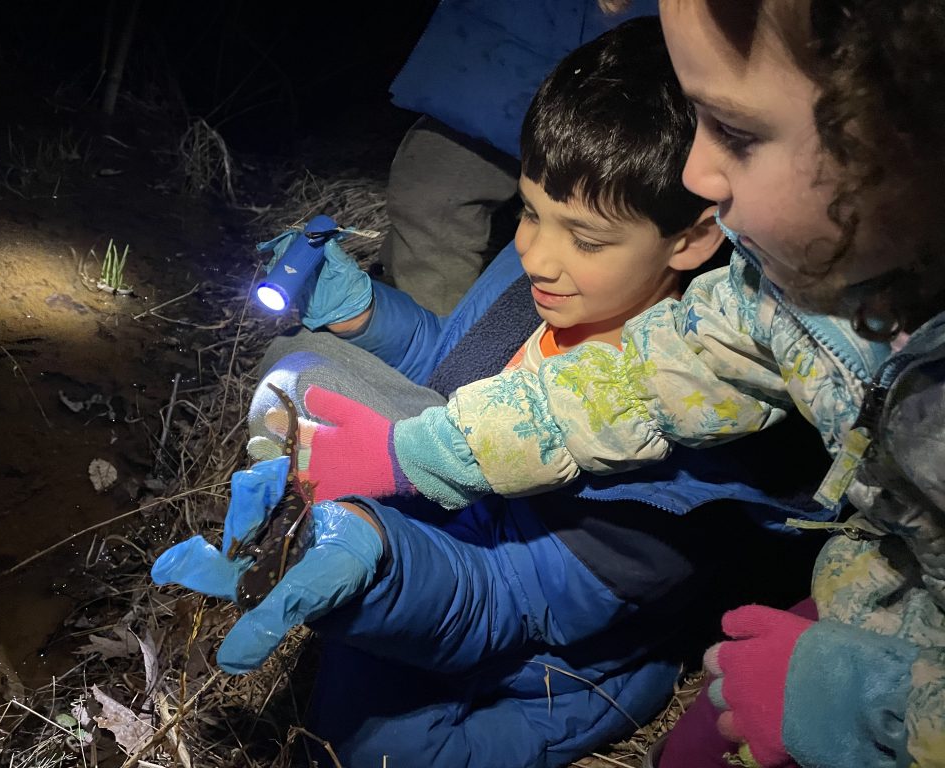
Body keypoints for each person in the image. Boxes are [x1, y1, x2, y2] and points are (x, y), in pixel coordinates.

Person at [246, 1, 945, 765]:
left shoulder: (678, 478)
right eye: (530, 210)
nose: (538, 253)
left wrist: (382, 565)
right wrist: (364, 314)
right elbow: (459, 370)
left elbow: (507, 601)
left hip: (555, 634)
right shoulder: (557, 275)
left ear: (693, 237)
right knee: (308, 376)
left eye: (582, 236)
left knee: (378, 745)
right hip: (472, 534)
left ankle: (613, 688)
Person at [379, 0, 657, 314]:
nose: (538, 262)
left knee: (599, 209)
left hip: (632, 71)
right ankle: (422, 325)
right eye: (531, 213)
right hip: (505, 49)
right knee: (432, 193)